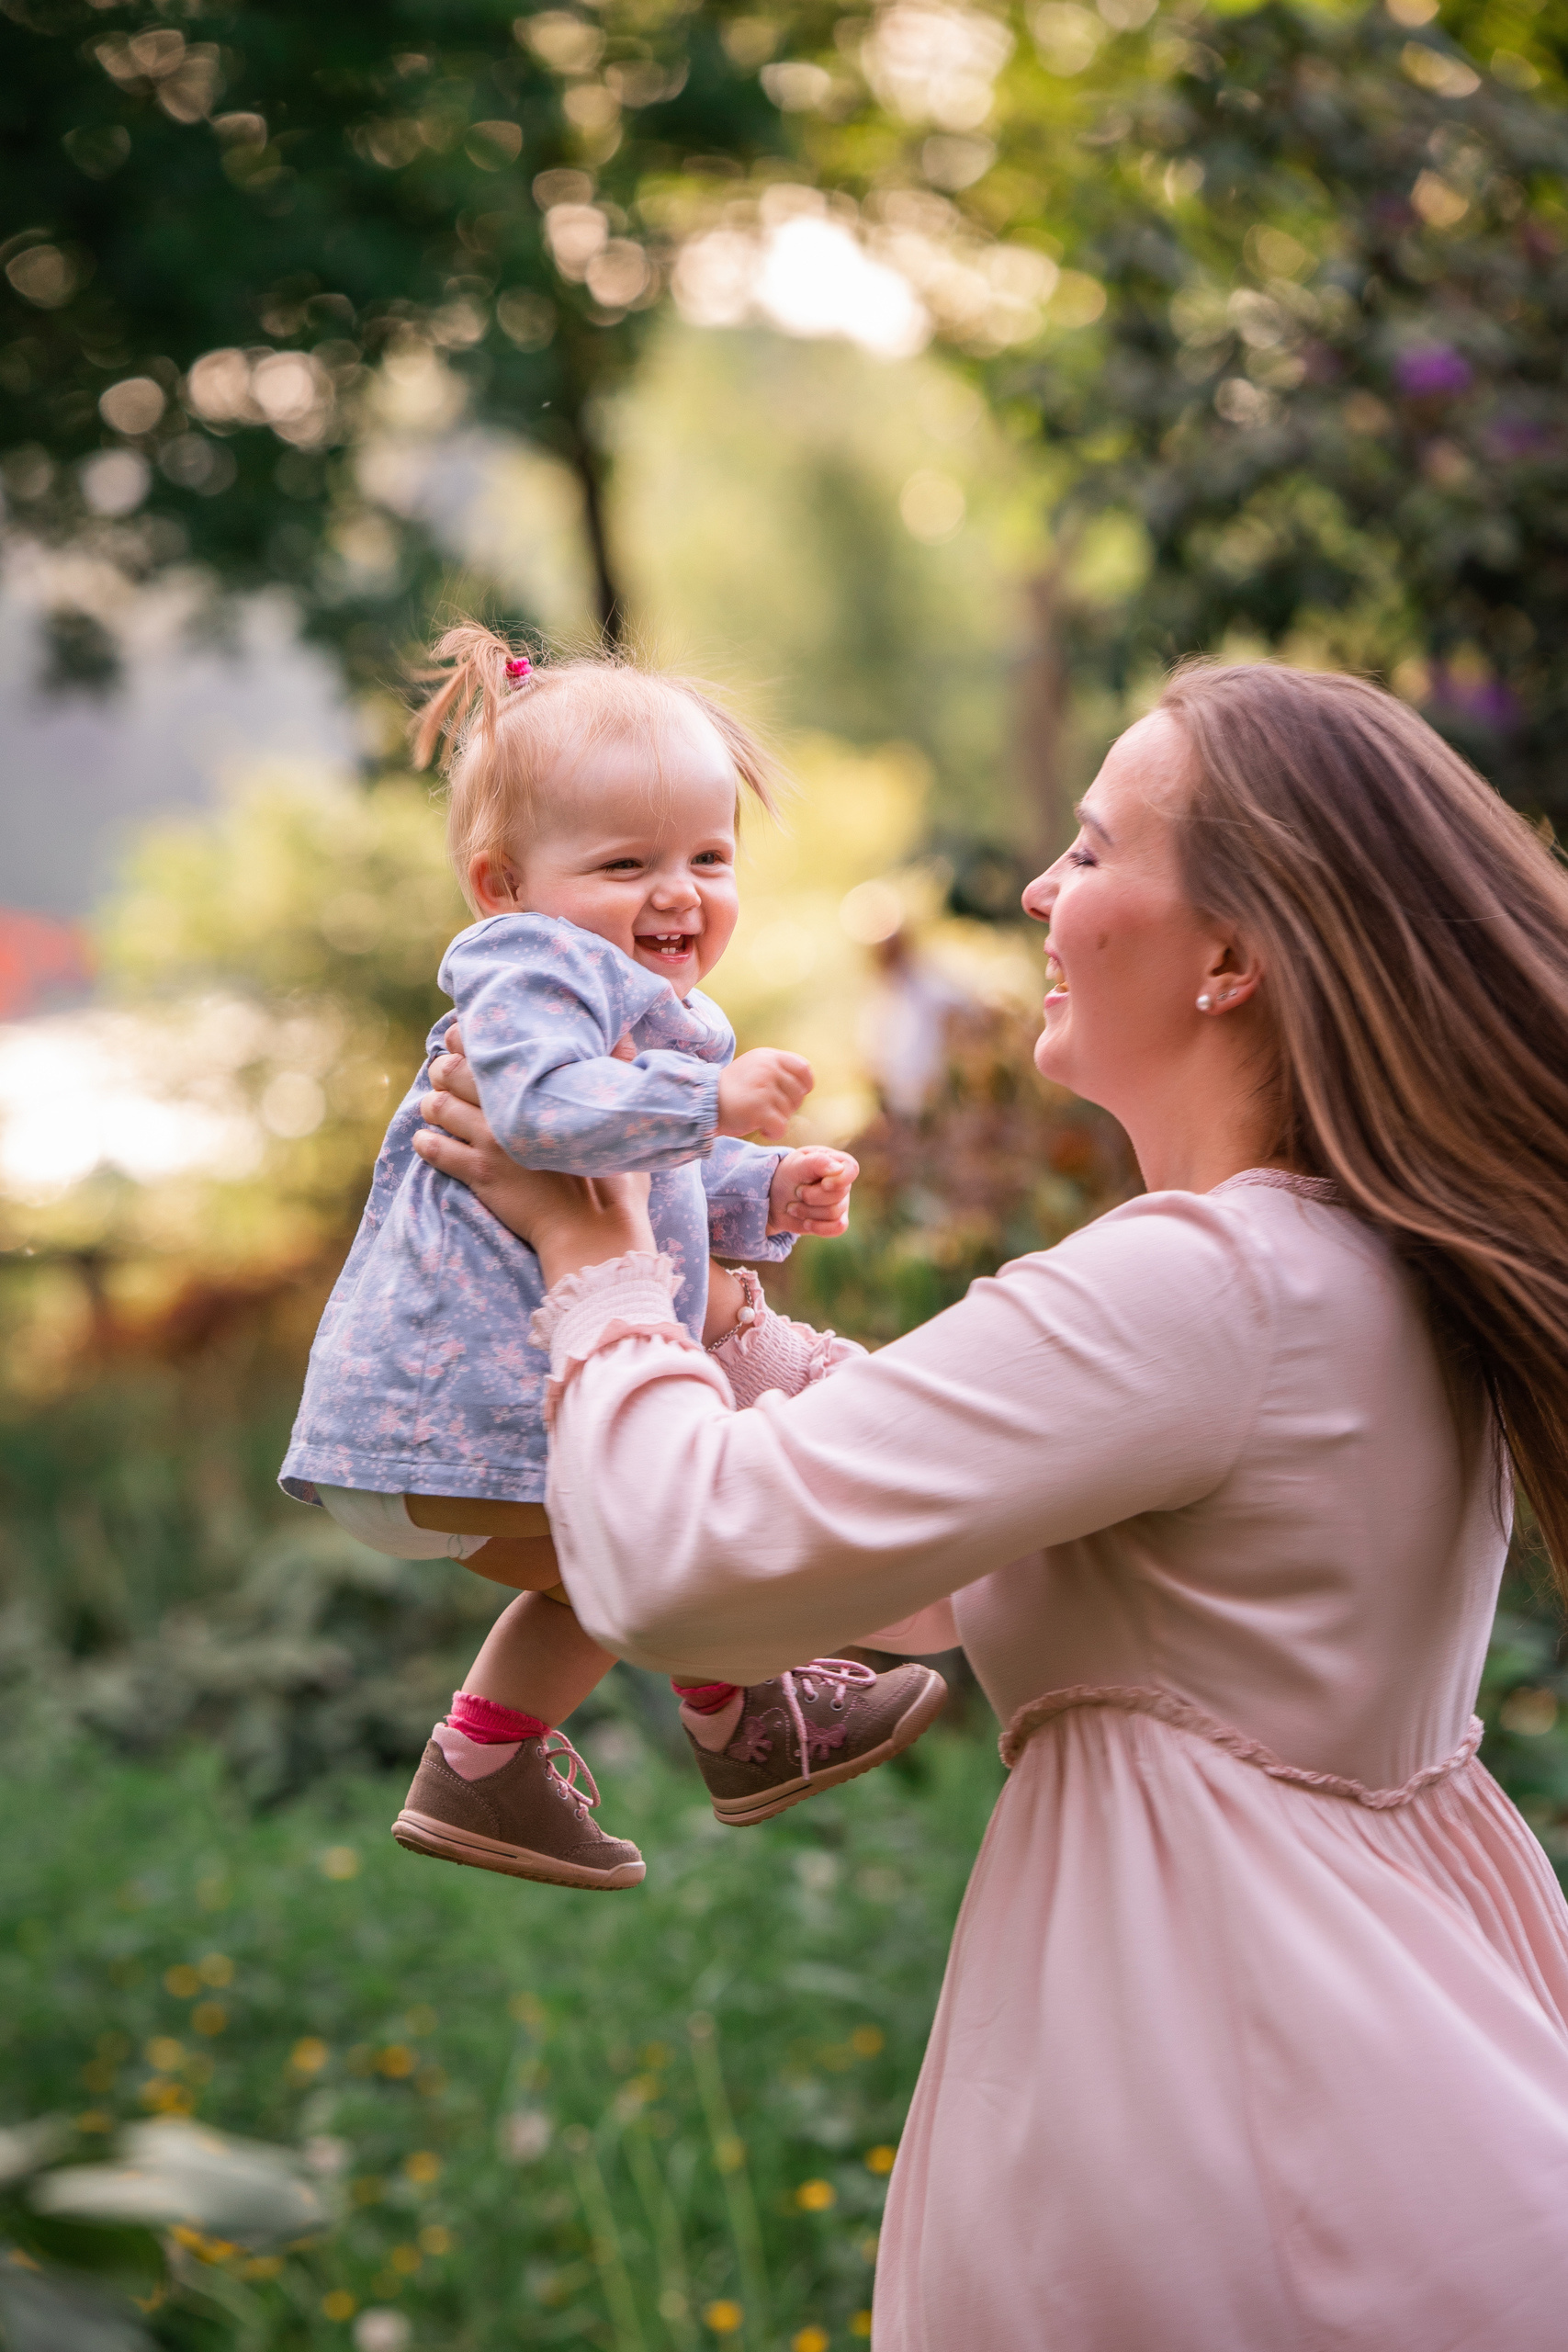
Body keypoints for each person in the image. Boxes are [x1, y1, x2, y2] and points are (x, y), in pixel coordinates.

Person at [412, 660, 1568, 2349]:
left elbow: (687, 1567)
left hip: (1224, 2051)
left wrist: (598, 1251)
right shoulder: (1345, 1259)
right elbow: (925, 1550)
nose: (1036, 889)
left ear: (1233, 955)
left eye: (1091, 851)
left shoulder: (1214, 1281)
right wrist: (723, 1324)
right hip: (1380, 1991)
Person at [278, 624, 946, 1894]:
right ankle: (743, 1715)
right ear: (502, 885)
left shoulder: (640, 1012)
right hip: (451, 1413)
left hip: (459, 1427)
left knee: (622, 1567)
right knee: (669, 1547)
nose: (678, 891)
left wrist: (762, 1189)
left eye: (708, 856)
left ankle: (491, 1762)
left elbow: (643, 1178)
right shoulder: (533, 973)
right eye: (626, 862)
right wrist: (712, 1104)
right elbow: (545, 1117)